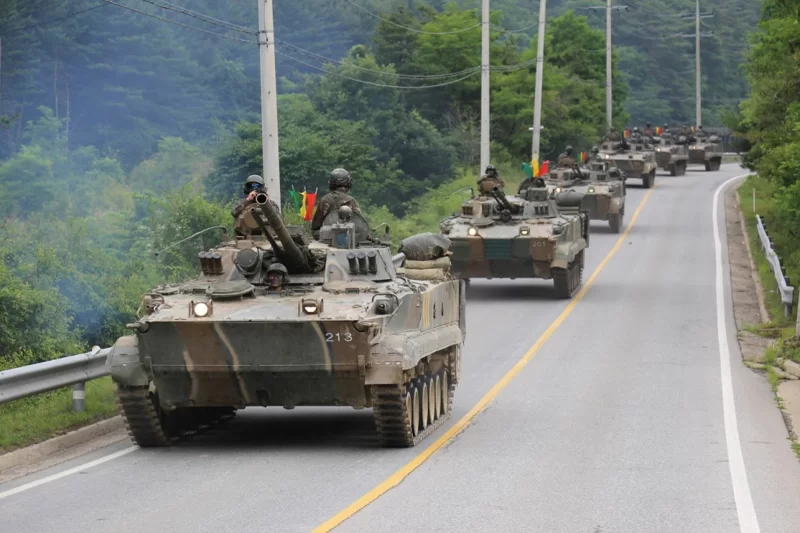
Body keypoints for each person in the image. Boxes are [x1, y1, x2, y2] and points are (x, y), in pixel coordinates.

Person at [311, 168, 362, 238]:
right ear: (348, 183)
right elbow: (359, 223)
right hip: (348, 237)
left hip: (327, 237)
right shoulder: (352, 201)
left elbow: (316, 225)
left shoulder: (325, 199)